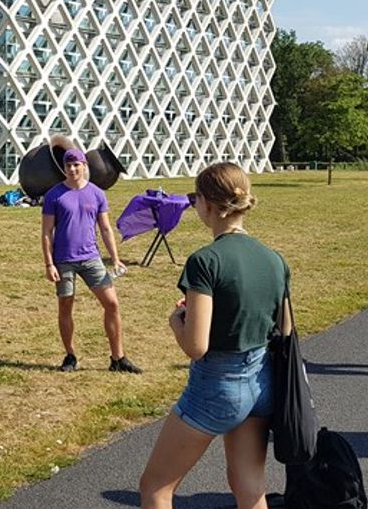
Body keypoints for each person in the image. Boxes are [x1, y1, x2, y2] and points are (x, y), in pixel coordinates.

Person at [139, 162, 289, 509]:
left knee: (155, 487)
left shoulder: (204, 261)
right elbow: (284, 328)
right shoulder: (274, 259)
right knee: (250, 488)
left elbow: (196, 346)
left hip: (217, 385)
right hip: (261, 381)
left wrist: (178, 319)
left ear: (206, 203)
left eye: (195, 198)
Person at [41, 148, 141, 373]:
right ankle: (70, 355)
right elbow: (47, 232)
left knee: (112, 304)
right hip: (63, 260)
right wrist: (49, 264)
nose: (72, 169)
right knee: (65, 305)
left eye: (76, 165)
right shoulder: (54, 195)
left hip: (91, 258)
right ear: (64, 168)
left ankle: (118, 358)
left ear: (84, 166)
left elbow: (105, 228)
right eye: (68, 166)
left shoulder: (97, 194)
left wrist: (115, 258)